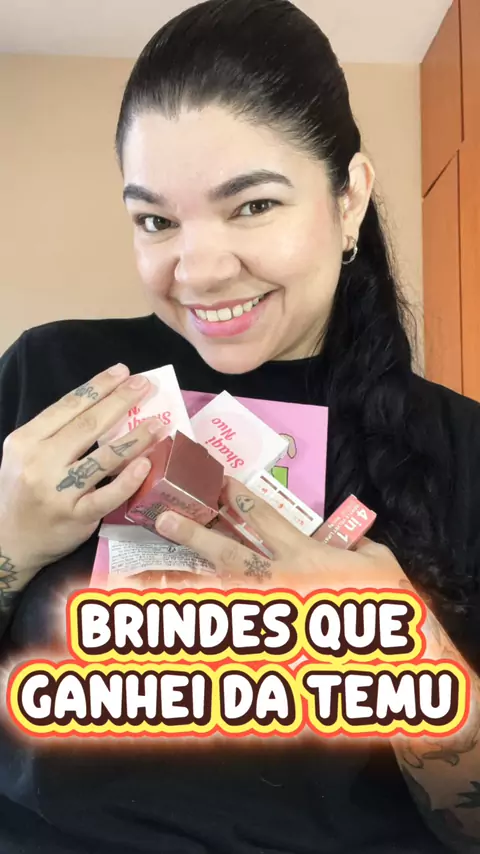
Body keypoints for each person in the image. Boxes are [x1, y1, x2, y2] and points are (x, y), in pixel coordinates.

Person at [0, 0, 479, 851]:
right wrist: (10, 546)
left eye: (253, 205)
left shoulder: (462, 449)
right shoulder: (54, 379)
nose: (200, 270)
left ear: (349, 198)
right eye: (156, 221)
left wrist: (404, 655)